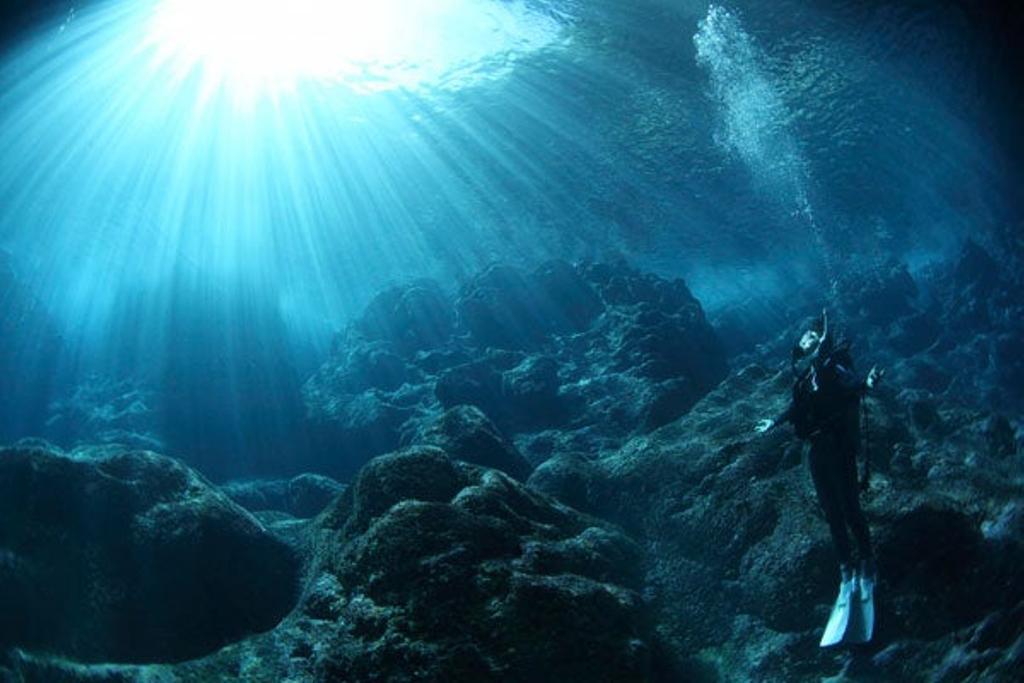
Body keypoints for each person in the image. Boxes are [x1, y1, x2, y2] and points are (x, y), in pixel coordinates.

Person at [754, 309, 883, 643]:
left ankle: (867, 564)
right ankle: (846, 572)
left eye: (811, 337)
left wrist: (867, 383)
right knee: (831, 514)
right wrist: (774, 422)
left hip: (839, 448)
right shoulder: (802, 380)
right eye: (803, 337)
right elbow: (796, 409)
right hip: (816, 453)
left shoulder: (831, 368)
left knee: (850, 508)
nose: (805, 340)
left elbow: (854, 390)